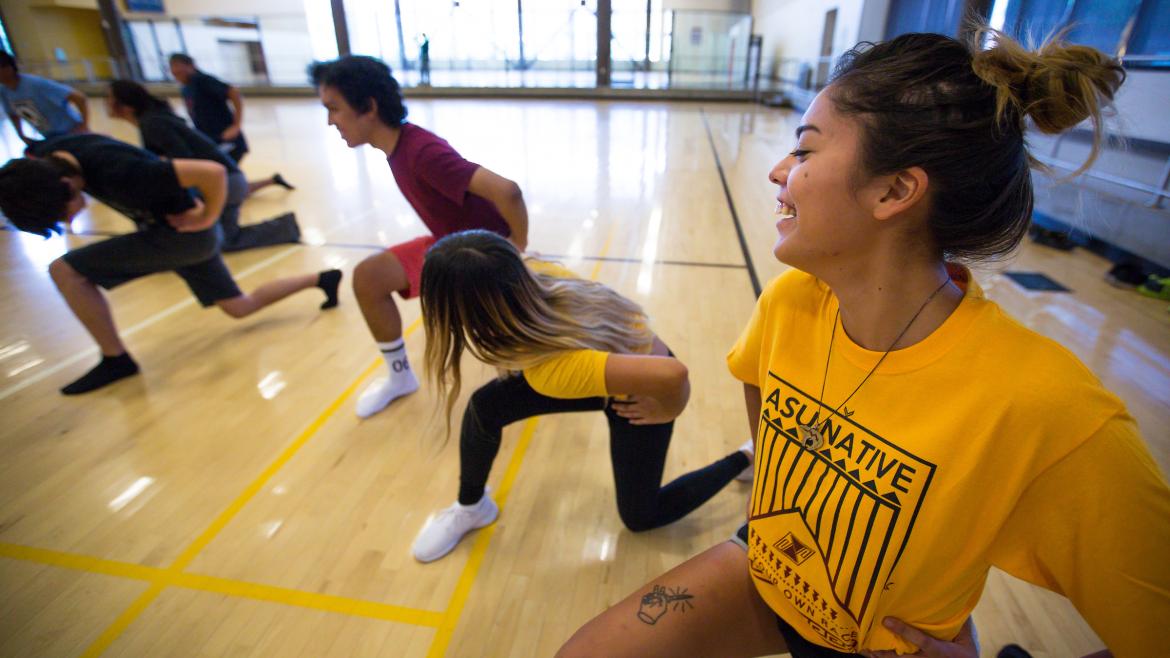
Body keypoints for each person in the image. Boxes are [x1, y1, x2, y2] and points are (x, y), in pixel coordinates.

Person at [558, 29, 1170, 658]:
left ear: (894, 191)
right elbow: (761, 401)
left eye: (804, 151)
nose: (778, 171)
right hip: (770, 576)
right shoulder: (788, 304)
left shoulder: (1051, 408)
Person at [409, 230, 752, 562]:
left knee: (641, 517)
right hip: (597, 362)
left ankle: (746, 457)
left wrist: (668, 408)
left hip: (645, 389)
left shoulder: (554, 373)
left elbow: (673, 374)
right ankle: (472, 507)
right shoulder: (527, 276)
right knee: (486, 407)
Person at [0, 133, 342, 395]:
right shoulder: (47, 158)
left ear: (66, 185)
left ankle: (116, 360)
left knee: (65, 270)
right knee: (239, 307)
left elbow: (213, 172)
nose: (70, 221)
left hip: (185, 236)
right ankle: (321, 279)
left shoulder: (122, 172)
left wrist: (207, 216)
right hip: (178, 233)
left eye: (65, 212)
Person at [308, 55, 529, 418]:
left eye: (334, 109)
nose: (330, 121)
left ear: (369, 107)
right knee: (369, 278)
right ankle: (400, 378)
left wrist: (516, 248)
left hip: (480, 257)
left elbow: (508, 191)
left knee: (506, 343)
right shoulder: (400, 146)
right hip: (452, 246)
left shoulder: (422, 153)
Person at [106, 80, 300, 252]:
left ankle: (286, 227)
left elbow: (184, 159)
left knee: (220, 240)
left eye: (110, 98)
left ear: (126, 106)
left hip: (223, 183)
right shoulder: (154, 119)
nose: (107, 102)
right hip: (226, 180)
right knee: (225, 238)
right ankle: (286, 226)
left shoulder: (153, 124)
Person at [169, 53, 255, 170]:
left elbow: (233, 92)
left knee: (226, 178)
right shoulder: (186, 87)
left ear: (191, 66)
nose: (174, 70)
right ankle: (273, 180)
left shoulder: (202, 80)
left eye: (177, 66)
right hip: (210, 140)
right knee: (224, 179)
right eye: (172, 67)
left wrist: (236, 125)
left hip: (226, 140)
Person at [0, 51, 88, 144]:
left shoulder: (35, 84)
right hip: (49, 136)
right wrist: (21, 135)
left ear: (8, 68)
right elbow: (13, 114)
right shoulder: (4, 91)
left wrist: (83, 125)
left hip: (72, 131)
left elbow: (79, 98)